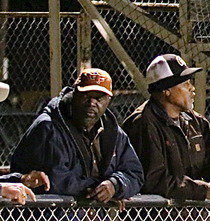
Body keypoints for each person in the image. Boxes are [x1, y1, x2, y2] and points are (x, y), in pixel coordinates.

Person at [123, 54, 210, 200]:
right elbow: (154, 180)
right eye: (185, 83)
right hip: (155, 219)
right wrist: (203, 190)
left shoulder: (195, 120)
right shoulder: (143, 123)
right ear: (166, 90)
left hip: (193, 218)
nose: (192, 88)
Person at [10, 68, 143, 199]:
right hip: (52, 216)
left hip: (95, 219)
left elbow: (135, 173)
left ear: (108, 99)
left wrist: (115, 185)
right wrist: (101, 188)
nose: (92, 102)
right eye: (86, 95)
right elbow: (57, 180)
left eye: (99, 98)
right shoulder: (49, 126)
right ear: (74, 94)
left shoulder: (112, 131)